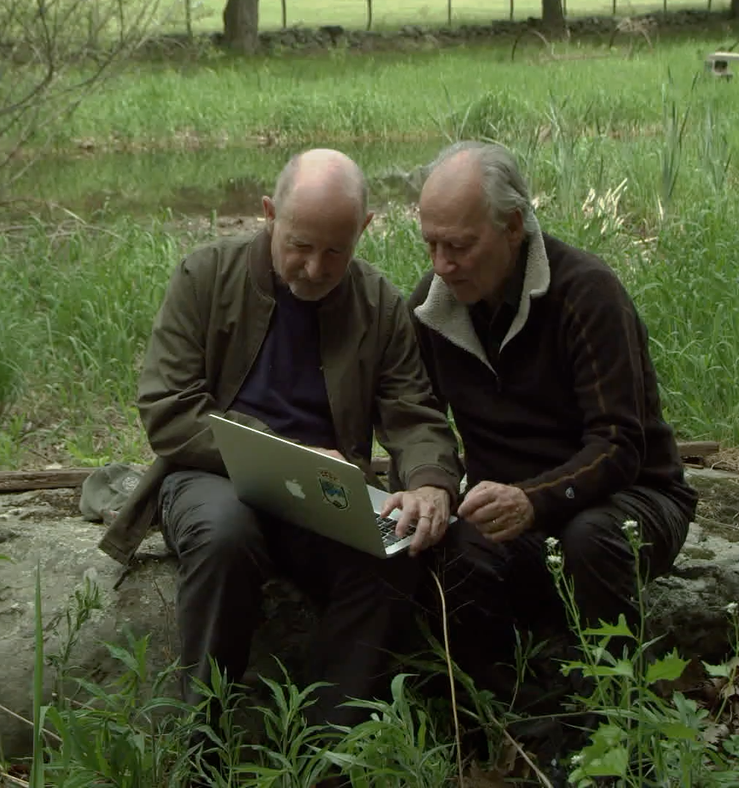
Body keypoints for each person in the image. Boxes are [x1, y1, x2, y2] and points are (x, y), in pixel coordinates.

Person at [97, 148, 462, 744]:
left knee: (393, 557)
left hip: (320, 492)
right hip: (212, 472)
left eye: (335, 251)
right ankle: (202, 748)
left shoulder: (379, 304)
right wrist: (283, 450)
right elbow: (167, 409)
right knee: (224, 538)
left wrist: (428, 482)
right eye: (299, 244)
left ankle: (327, 757)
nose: (316, 268)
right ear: (269, 214)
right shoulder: (206, 275)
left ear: (363, 231)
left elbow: (415, 415)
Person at [406, 140, 698, 761]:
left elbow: (620, 443)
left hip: (635, 497)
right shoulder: (431, 308)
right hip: (514, 513)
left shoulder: (586, 293)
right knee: (440, 547)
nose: (442, 264)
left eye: (458, 245)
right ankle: (507, 723)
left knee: (592, 536)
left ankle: (611, 736)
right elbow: (419, 419)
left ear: (513, 227)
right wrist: (428, 482)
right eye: (430, 244)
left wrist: (532, 501)